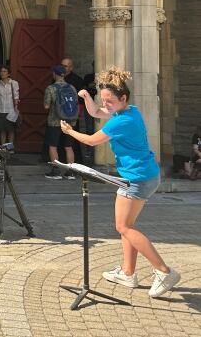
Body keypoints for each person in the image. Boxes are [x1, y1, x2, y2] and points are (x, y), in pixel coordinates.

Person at [61, 67, 181, 297]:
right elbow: (96, 113)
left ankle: (164, 271)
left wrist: (70, 132)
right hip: (142, 175)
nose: (105, 105)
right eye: (103, 100)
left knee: (123, 227)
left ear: (123, 98)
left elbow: (92, 141)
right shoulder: (128, 111)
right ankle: (127, 273)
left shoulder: (120, 122)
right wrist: (87, 97)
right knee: (127, 226)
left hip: (137, 178)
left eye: (109, 101)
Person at [44, 65, 76, 180]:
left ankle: (56, 171)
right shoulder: (72, 87)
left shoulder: (51, 88)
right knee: (68, 146)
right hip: (70, 122)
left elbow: (46, 106)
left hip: (54, 121)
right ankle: (71, 172)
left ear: (54, 74)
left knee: (53, 146)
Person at [61, 57, 90, 164]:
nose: (63, 68)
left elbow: (81, 100)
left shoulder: (77, 80)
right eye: (62, 65)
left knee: (71, 140)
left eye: (65, 66)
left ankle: (73, 164)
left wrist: (77, 114)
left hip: (72, 115)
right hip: (59, 115)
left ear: (71, 67)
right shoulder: (57, 78)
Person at [0, 65, 19, 145]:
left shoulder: (14, 83)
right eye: (1, 71)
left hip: (11, 110)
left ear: (9, 73)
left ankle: (10, 148)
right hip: (0, 109)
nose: (2, 73)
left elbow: (16, 96)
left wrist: (16, 106)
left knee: (11, 130)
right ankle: (3, 147)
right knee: (2, 130)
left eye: (4, 71)